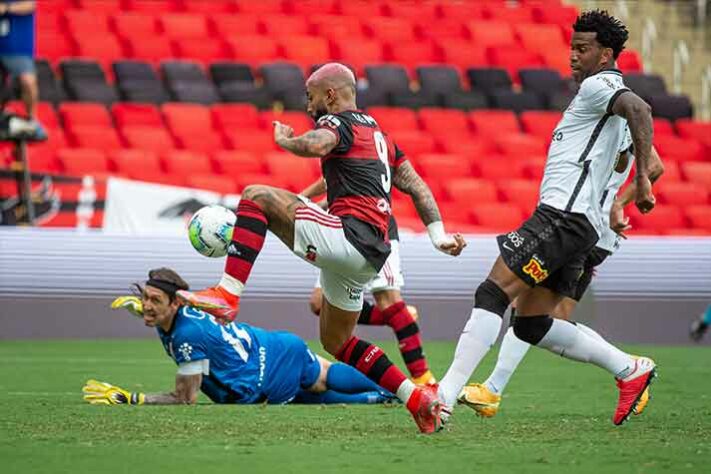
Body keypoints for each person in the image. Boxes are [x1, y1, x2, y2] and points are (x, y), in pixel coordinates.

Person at [175, 63, 466, 433]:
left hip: (348, 236)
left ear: (330, 95)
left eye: (312, 98)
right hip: (369, 254)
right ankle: (417, 398)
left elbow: (319, 142)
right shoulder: (380, 136)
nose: (310, 107)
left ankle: (227, 294)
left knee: (255, 196)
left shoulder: (338, 123)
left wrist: (287, 142)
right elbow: (416, 183)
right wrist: (438, 235)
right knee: (337, 341)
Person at [436, 10, 657, 427]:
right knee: (533, 323)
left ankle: (442, 396)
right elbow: (645, 137)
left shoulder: (601, 85)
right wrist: (637, 181)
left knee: (492, 293)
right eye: (572, 47)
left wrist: (640, 180)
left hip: (562, 217)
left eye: (583, 49)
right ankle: (630, 369)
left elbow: (641, 109)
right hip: (582, 227)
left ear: (606, 54)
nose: (573, 56)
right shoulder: (606, 101)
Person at [459, 131, 664, 417]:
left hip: (586, 228)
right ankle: (630, 368)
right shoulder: (611, 120)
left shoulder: (622, 120)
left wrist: (619, 202)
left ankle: (493, 389)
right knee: (544, 316)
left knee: (532, 312)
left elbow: (655, 166)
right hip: (586, 227)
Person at [82, 268, 397, 406]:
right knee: (315, 388)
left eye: (154, 301)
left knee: (320, 381)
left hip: (262, 379)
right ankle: (392, 392)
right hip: (271, 348)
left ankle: (392, 389)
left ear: (175, 302)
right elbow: (160, 314)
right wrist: (140, 309)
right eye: (145, 299)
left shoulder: (187, 338)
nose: (147, 306)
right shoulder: (183, 310)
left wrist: (132, 398)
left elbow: (184, 399)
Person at [302, 178, 436, 386]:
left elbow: (332, 180)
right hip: (340, 229)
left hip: (374, 226)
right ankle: (399, 317)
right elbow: (338, 186)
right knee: (318, 303)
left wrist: (302, 198)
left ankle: (424, 380)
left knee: (388, 300)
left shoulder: (354, 148)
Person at [0, 1, 46, 139]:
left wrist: (6, 8)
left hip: (17, 47)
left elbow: (30, 4)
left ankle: (32, 120)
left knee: (28, 81)